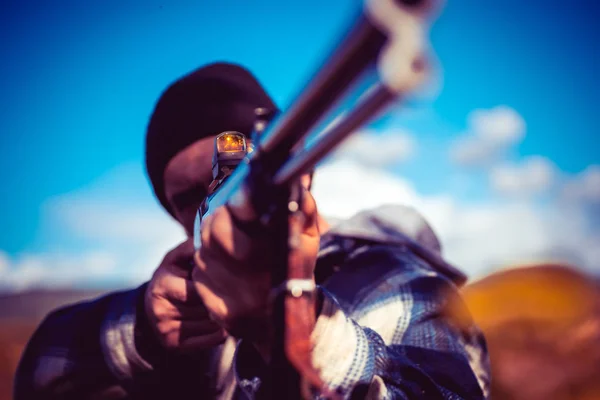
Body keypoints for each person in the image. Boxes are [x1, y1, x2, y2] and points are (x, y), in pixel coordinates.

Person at [15, 63, 490, 399]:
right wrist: (142, 330)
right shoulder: (186, 310)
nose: (214, 201)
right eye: (188, 197)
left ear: (303, 172)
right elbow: (39, 374)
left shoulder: (397, 281)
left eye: (233, 173)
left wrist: (294, 327)